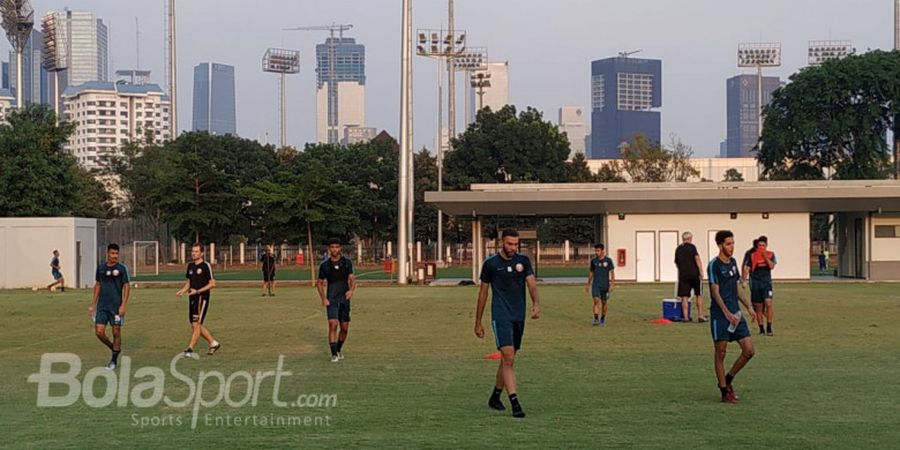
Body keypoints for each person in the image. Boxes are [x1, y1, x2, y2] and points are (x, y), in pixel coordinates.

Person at [475, 229, 541, 419]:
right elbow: (483, 294)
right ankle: (515, 403)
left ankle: (495, 396)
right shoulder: (491, 265)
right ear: (501, 242)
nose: (513, 247)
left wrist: (536, 303)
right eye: (510, 243)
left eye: (516, 244)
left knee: (508, 360)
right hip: (500, 315)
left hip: (518, 316)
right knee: (508, 356)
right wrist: (478, 322)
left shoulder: (523, 261)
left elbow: (532, 284)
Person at [707, 230, 757, 404]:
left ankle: (728, 379)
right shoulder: (714, 265)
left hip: (736, 315)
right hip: (720, 316)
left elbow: (736, 288)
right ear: (720, 245)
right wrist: (726, 313)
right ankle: (723, 391)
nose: (732, 247)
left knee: (749, 351)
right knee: (721, 352)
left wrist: (748, 306)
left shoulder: (734, 262)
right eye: (728, 244)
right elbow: (715, 291)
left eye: (733, 243)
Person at [88, 244, 130, 370]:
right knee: (99, 332)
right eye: (112, 253)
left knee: (116, 331)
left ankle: (113, 360)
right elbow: (98, 285)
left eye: (116, 254)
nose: (115, 256)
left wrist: (123, 305)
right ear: (107, 253)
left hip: (116, 307)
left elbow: (127, 287)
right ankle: (113, 348)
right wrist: (93, 304)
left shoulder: (122, 269)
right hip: (102, 306)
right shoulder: (100, 268)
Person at [176, 244, 221, 357]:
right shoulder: (190, 266)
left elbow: (212, 284)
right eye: (192, 251)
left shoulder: (206, 266)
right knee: (194, 324)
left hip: (202, 298)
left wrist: (198, 291)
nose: (193, 253)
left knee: (197, 324)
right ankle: (213, 343)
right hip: (192, 298)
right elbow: (190, 282)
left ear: (201, 253)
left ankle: (190, 349)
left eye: (196, 251)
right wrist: (183, 290)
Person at [317, 238, 356, 362]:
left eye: (337, 247)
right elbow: (319, 283)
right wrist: (323, 298)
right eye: (332, 247)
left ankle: (338, 349)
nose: (334, 249)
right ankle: (333, 354)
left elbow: (352, 279)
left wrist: (351, 290)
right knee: (333, 324)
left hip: (344, 299)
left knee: (344, 328)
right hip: (331, 299)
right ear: (329, 249)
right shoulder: (325, 266)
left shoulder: (347, 263)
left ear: (340, 248)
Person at [744, 236, 777, 336]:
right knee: (758, 307)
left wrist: (765, 256)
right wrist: (744, 280)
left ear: (766, 246)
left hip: (766, 283)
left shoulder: (771, 254)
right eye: (760, 245)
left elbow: (771, 266)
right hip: (756, 284)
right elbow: (747, 268)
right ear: (757, 246)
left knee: (769, 304)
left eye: (763, 245)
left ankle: (769, 327)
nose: (761, 247)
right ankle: (761, 329)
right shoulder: (752, 256)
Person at [674, 232, 707, 322]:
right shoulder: (692, 247)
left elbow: (676, 262)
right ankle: (700, 315)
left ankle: (685, 317)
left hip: (683, 275)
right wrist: (701, 272)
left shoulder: (678, 249)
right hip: (694, 274)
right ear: (690, 238)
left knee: (684, 296)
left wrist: (681, 271)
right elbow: (697, 259)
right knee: (698, 294)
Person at [585, 243, 615, 325]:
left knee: (604, 303)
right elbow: (591, 273)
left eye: (598, 250)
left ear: (602, 251)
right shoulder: (593, 261)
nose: (596, 252)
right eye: (595, 250)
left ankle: (602, 318)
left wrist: (612, 284)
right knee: (596, 300)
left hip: (605, 285)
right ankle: (595, 319)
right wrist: (588, 284)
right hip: (596, 285)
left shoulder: (608, 261)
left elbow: (612, 272)